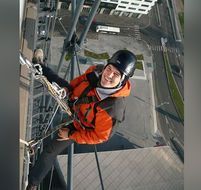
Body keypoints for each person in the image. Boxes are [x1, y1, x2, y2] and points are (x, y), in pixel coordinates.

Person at [26, 49, 137, 190]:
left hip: (80, 126)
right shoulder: (97, 71)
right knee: (55, 80)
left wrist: (71, 135)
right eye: (109, 68)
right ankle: (39, 65)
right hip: (74, 101)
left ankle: (32, 184)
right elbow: (80, 81)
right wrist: (68, 89)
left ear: (123, 80)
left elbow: (99, 136)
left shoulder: (112, 108)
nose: (108, 75)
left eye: (116, 74)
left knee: (50, 151)